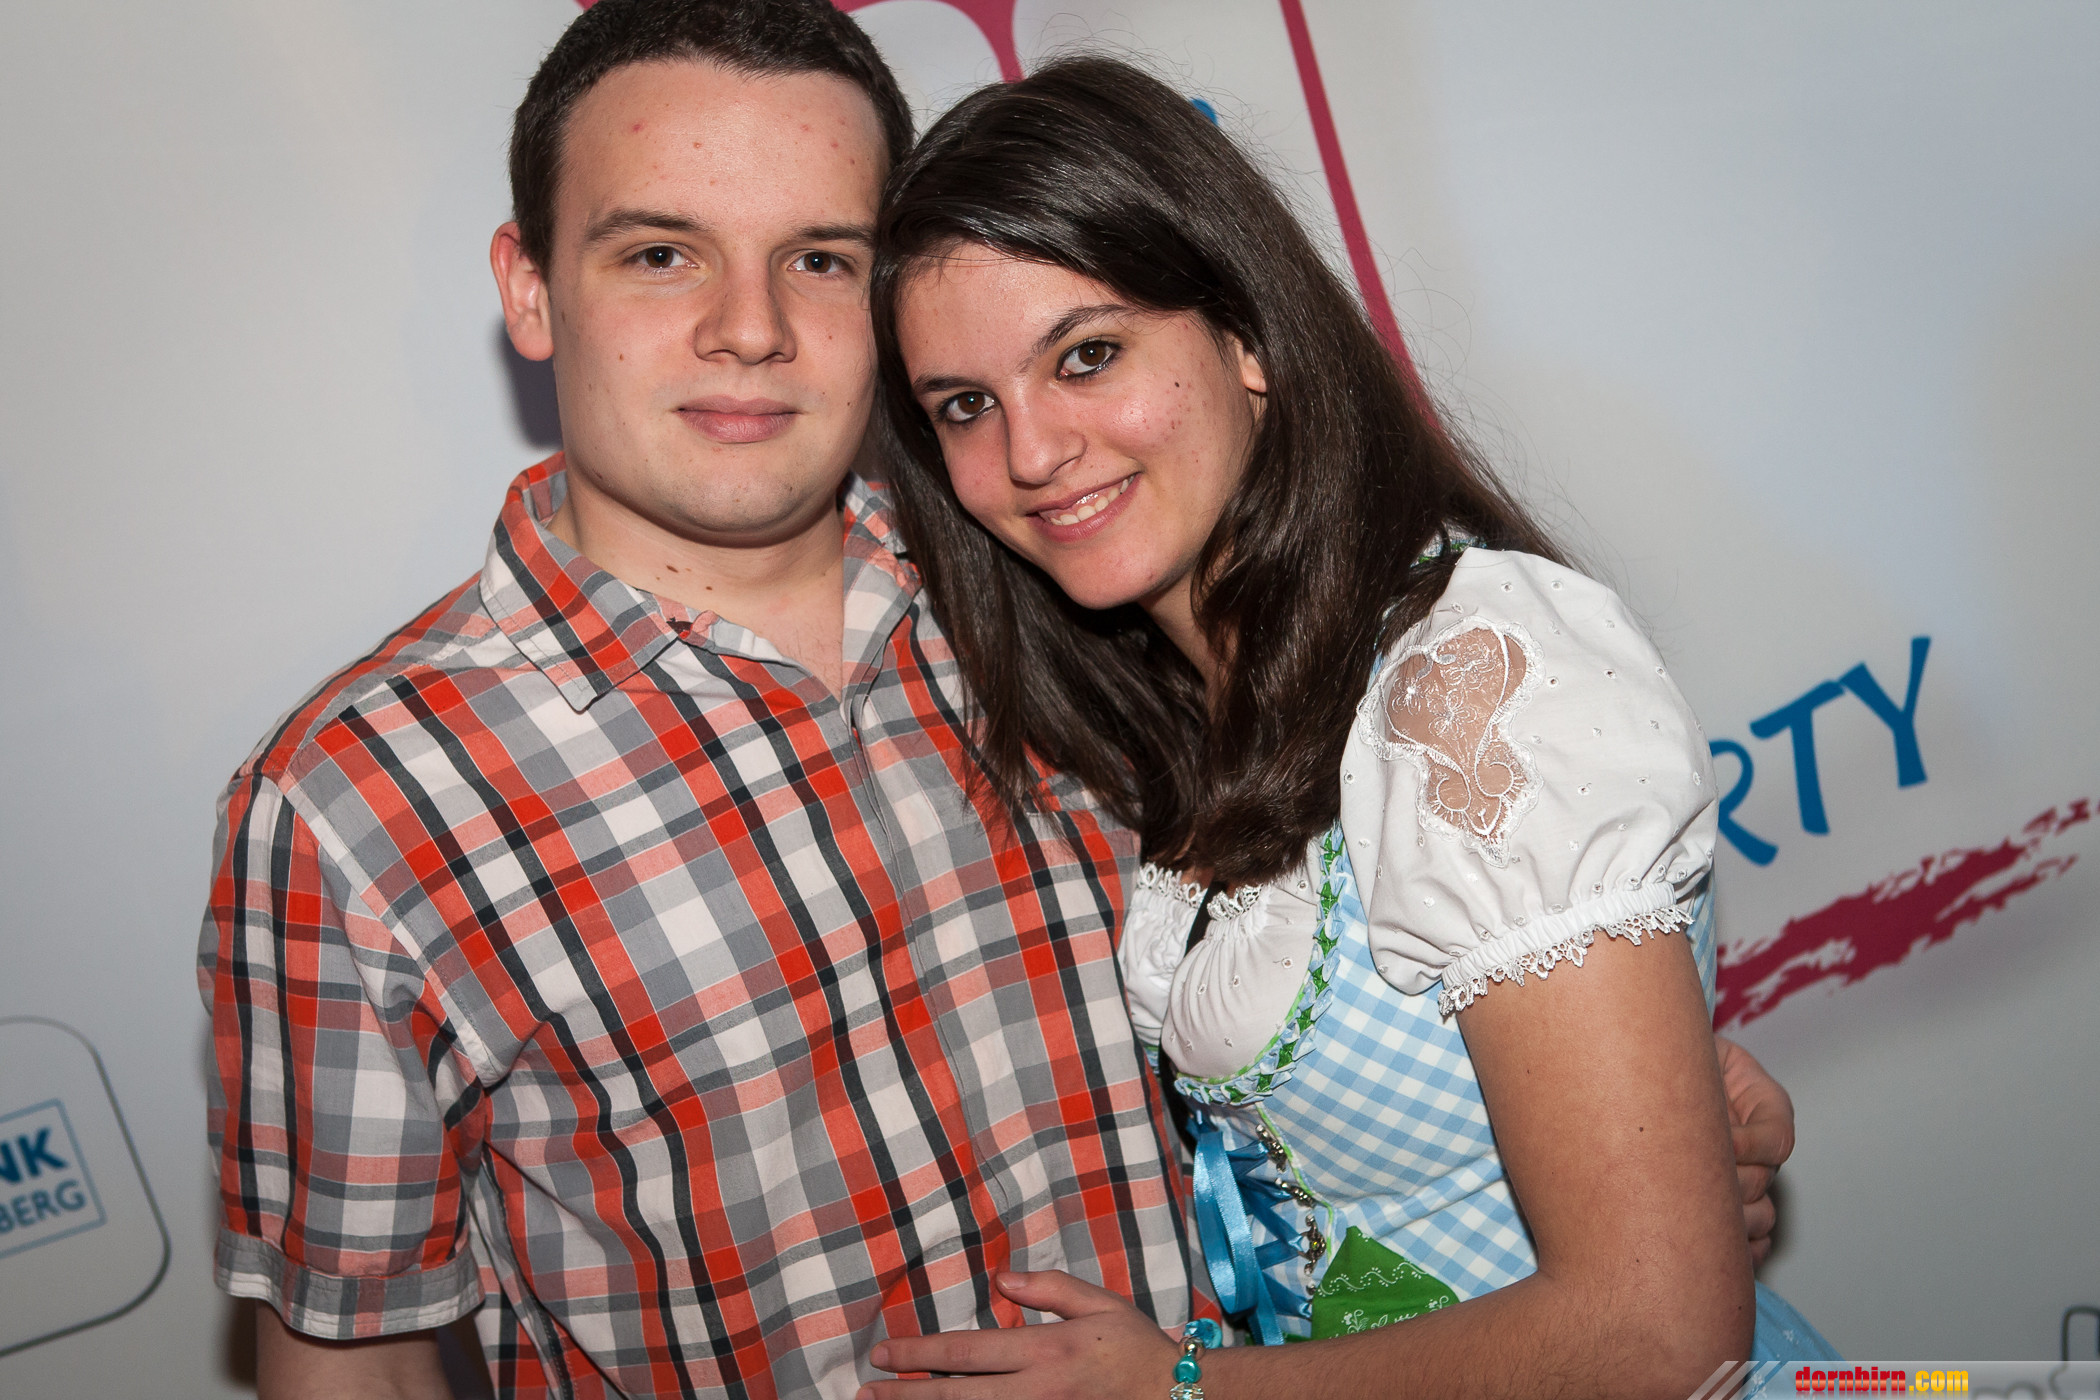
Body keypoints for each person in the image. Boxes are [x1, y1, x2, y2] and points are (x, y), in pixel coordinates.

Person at [198, 6, 1797, 1397]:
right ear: (532, 287)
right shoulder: (353, 807)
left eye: (820, 260)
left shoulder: (1064, 601)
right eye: (660, 253)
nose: (749, 328)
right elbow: (359, 1362)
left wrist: (1604, 1146)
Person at [861, 56, 1837, 1400]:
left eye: (1087, 356)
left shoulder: (1469, 674)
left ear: (1247, 339)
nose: (1030, 453)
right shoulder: (1177, 700)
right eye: (965, 407)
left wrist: (1175, 1389)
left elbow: (1661, 1336)